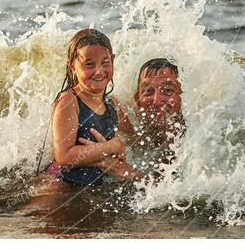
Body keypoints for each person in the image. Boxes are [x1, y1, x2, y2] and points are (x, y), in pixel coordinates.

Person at [46, 28, 145, 185]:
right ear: (72, 67)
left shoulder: (113, 104)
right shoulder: (69, 102)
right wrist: (111, 147)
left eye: (105, 62)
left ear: (112, 59)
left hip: (94, 187)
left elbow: (134, 140)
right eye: (89, 65)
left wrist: (122, 151)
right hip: (62, 186)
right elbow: (63, 157)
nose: (99, 71)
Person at [117, 58, 185, 163]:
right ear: (137, 99)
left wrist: (126, 172)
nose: (156, 101)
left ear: (182, 97)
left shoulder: (194, 136)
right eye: (148, 91)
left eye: (168, 91)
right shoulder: (130, 131)